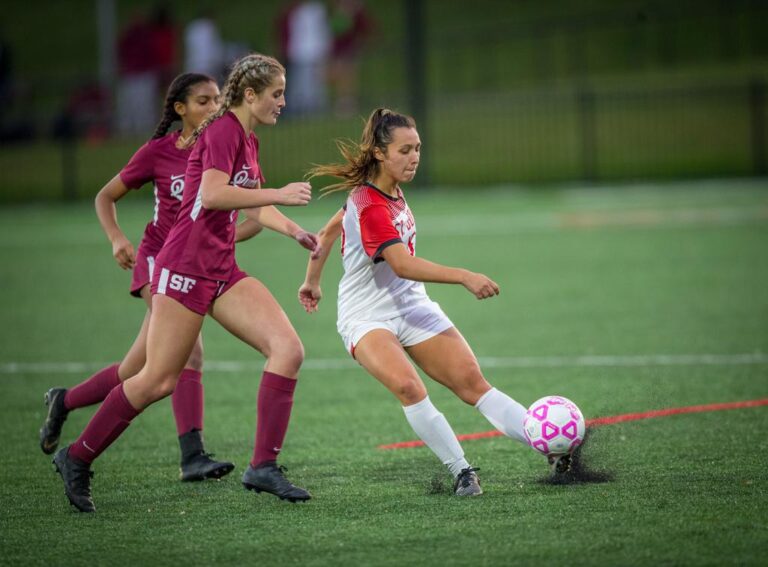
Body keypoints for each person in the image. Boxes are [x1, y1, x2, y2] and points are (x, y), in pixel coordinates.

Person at [52, 54, 319, 512]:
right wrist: (277, 193)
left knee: (288, 349)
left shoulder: (247, 138)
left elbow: (252, 207)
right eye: (277, 93)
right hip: (183, 268)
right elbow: (212, 195)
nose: (283, 101)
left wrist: (294, 230)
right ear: (251, 95)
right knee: (156, 380)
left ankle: (263, 467)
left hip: (220, 268)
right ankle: (76, 456)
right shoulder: (221, 131)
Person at [299, 108, 562, 496]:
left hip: (411, 306)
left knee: (474, 385)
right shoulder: (370, 205)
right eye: (405, 150)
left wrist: (311, 281)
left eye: (418, 148)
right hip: (366, 316)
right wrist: (464, 276)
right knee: (410, 388)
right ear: (379, 153)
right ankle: (462, 472)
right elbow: (402, 265)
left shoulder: (383, 193)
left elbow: (327, 230)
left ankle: (550, 448)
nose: (414, 157)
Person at [40, 73, 259, 482]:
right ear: (180, 109)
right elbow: (105, 196)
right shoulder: (158, 152)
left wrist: (218, 241)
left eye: (217, 100)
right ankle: (192, 455)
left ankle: (65, 400)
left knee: (135, 371)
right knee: (187, 351)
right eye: (203, 101)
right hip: (159, 260)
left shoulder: (223, 146)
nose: (214, 107)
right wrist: (116, 238)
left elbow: (245, 219)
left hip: (194, 264)